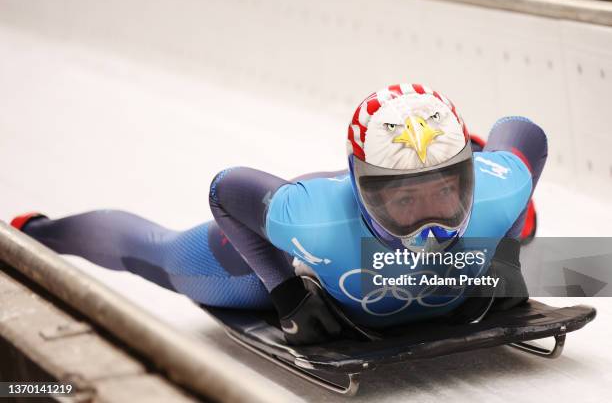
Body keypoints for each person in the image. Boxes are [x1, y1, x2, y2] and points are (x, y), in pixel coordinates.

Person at [11, 83, 547, 344]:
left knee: (525, 232)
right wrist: (285, 289)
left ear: (470, 177)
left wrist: (501, 249)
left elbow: (525, 135)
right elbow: (227, 190)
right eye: (403, 202)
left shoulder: (499, 194)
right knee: (160, 256)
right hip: (304, 254)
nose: (431, 225)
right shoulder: (308, 220)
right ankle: (32, 232)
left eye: (445, 194)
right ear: (363, 191)